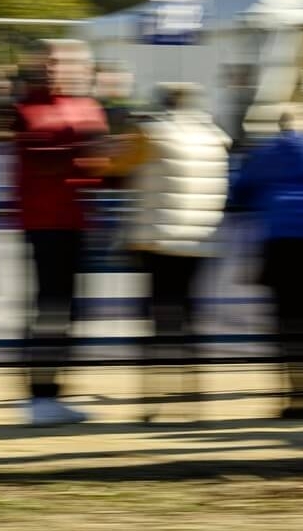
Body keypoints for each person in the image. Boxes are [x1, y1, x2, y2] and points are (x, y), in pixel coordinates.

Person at [227, 104, 303, 419]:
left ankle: (294, 399)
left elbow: (239, 192)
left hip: (281, 240)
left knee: (286, 322)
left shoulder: (266, 152)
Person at [12, 39, 108, 426]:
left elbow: (100, 167)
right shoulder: (25, 108)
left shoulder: (89, 107)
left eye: (68, 62)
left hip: (78, 221)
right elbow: (38, 155)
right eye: (51, 61)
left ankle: (53, 395)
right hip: (43, 222)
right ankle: (39, 396)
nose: (57, 68)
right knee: (48, 308)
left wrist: (107, 159)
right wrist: (82, 151)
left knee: (70, 310)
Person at [124, 83, 231, 421]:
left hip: (160, 239)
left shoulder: (152, 133)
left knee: (161, 320)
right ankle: (192, 398)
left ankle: (153, 400)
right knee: (189, 317)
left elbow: (118, 167)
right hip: (200, 240)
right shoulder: (214, 136)